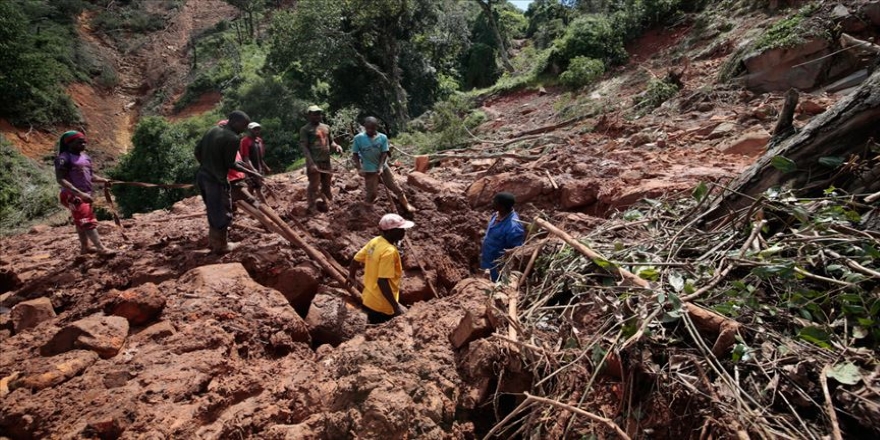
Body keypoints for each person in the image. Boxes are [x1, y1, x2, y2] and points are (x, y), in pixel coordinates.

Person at [194, 111, 262, 253]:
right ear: (235, 122)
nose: (244, 129)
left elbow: (197, 151)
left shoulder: (213, 130)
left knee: (213, 210)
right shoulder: (232, 138)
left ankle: (213, 242)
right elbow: (231, 164)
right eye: (243, 126)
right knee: (222, 212)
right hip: (216, 180)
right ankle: (222, 246)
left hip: (203, 176)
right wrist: (253, 173)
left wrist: (208, 165)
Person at [54, 131, 115, 257]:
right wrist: (80, 194)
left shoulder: (86, 157)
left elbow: (90, 175)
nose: (83, 144)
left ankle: (85, 248)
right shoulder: (63, 158)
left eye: (84, 141)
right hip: (72, 196)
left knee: (80, 221)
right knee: (87, 220)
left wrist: (103, 180)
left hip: (85, 194)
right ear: (69, 143)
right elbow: (60, 179)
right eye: (79, 142)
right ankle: (101, 248)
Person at [348, 213, 414, 324]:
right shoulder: (389, 251)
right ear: (389, 231)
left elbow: (355, 259)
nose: (404, 232)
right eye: (400, 229)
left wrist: (351, 276)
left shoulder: (375, 242)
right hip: (382, 306)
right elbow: (382, 281)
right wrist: (395, 307)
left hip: (368, 299)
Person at [351, 117, 415, 212]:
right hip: (369, 170)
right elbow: (355, 154)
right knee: (372, 193)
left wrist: (380, 167)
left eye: (372, 128)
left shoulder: (382, 137)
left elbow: (384, 153)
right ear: (365, 127)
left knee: (395, 186)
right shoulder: (358, 138)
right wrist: (359, 168)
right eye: (367, 128)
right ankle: (367, 210)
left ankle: (406, 204)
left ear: (376, 127)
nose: (370, 130)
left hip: (383, 168)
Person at [300, 105, 342, 213]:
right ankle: (311, 207)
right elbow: (304, 147)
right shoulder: (305, 129)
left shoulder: (326, 127)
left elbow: (331, 142)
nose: (317, 116)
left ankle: (327, 204)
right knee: (314, 185)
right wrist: (311, 163)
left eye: (319, 113)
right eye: (314, 114)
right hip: (314, 162)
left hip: (326, 161)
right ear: (309, 115)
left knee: (327, 183)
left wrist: (337, 146)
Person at [480, 192, 526, 282]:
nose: (492, 203)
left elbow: (515, 253)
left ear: (502, 207)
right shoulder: (496, 214)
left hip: (497, 267)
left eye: (495, 202)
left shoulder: (514, 227)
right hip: (487, 260)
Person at [240, 122, 270, 203]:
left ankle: (251, 207)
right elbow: (246, 158)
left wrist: (265, 166)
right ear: (249, 130)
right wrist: (253, 170)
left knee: (251, 189)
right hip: (250, 169)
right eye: (254, 129)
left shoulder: (259, 141)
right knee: (258, 189)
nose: (257, 131)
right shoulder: (245, 141)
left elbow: (260, 157)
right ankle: (267, 207)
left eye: (258, 129)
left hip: (259, 169)